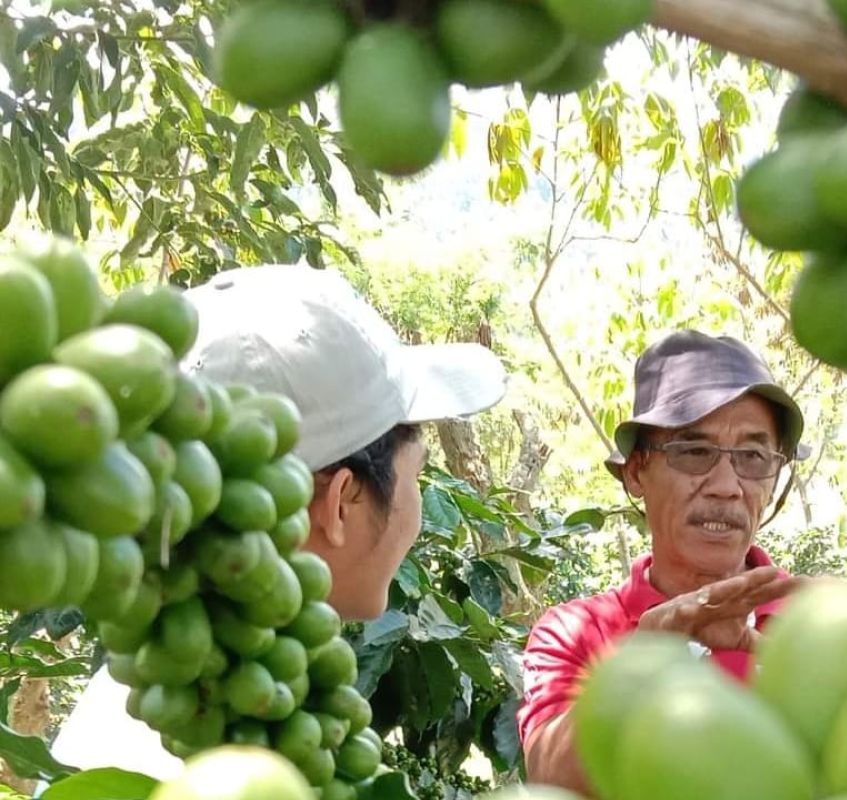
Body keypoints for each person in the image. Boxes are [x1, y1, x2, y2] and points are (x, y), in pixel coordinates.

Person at [47, 264, 508, 780]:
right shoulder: (237, 753)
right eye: (417, 477)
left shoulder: (150, 712)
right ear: (340, 501)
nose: (418, 509)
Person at [517, 330, 808, 796]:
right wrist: (649, 655)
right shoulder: (574, 633)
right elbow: (550, 776)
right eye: (694, 452)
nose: (727, 486)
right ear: (636, 472)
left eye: (753, 457)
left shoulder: (813, 624)